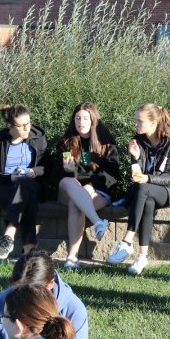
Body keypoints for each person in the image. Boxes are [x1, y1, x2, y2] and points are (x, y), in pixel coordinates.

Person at [106, 103, 170, 275]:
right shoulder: (138, 140)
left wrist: (148, 178)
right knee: (146, 201)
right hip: (145, 192)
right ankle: (142, 256)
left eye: (139, 121)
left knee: (143, 188)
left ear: (153, 123)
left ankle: (126, 241)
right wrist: (135, 158)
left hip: (165, 191)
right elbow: (136, 175)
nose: (136, 125)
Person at [57, 102, 121, 270]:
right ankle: (98, 222)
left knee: (76, 205)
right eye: (78, 118)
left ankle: (71, 257)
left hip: (97, 191)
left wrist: (92, 186)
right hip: (69, 189)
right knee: (67, 181)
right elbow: (56, 174)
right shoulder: (66, 143)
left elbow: (112, 173)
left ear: (93, 121)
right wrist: (69, 171)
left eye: (85, 118)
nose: (81, 122)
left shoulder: (106, 143)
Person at [0, 104, 48, 261]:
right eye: (22, 125)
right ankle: (29, 252)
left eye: (29, 123)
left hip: (31, 183)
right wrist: (10, 177)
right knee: (27, 197)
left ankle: (8, 236)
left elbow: (47, 166)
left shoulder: (38, 138)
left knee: (25, 183)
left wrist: (34, 172)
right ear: (9, 126)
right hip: (3, 188)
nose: (27, 128)